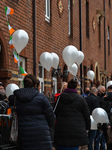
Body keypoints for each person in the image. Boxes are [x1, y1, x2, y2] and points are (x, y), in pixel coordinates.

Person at [9, 74, 55, 150]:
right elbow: (51, 116)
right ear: (35, 85)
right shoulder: (41, 97)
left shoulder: (16, 98)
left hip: (24, 135)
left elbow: (9, 100)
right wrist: (48, 125)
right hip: (41, 134)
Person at [54, 79, 91, 150]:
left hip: (62, 129)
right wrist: (87, 127)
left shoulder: (60, 98)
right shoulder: (81, 99)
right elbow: (86, 115)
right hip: (77, 130)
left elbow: (55, 112)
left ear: (67, 87)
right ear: (75, 88)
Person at [94, 85, 106, 150]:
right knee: (99, 136)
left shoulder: (103, 98)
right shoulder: (98, 99)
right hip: (99, 119)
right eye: (102, 91)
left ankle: (102, 147)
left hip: (102, 119)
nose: (104, 92)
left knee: (101, 136)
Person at [102, 85, 112, 150]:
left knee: (108, 141)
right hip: (108, 122)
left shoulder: (105, 99)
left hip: (107, 123)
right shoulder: (105, 99)